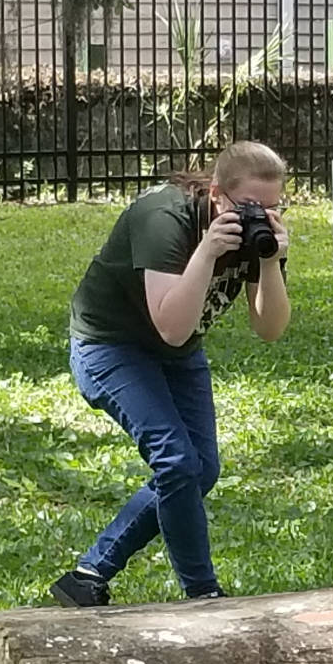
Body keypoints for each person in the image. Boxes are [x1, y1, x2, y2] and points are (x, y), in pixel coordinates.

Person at [51, 141, 293, 607]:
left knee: (200, 470)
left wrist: (268, 262)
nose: (260, 217)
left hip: (176, 355)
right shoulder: (164, 218)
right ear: (218, 194)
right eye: (250, 207)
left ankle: (88, 575)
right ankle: (202, 594)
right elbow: (172, 326)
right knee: (177, 462)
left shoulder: (261, 233)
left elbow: (270, 328)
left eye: (273, 207)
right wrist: (205, 254)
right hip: (110, 345)